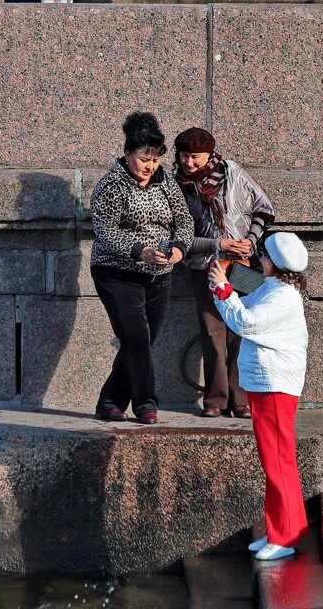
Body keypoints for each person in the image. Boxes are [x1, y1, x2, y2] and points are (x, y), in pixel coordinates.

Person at [208, 232, 310, 561]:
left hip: (275, 387)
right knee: (274, 461)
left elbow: (245, 323)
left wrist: (223, 288)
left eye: (264, 256)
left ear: (276, 264)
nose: (260, 260)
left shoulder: (284, 297)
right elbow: (239, 309)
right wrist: (221, 286)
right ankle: (280, 529)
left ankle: (285, 536)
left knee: (278, 461)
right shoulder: (272, 288)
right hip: (266, 385)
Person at [90, 112, 195, 425]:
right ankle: (146, 404)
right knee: (135, 336)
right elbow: (105, 231)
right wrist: (140, 251)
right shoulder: (111, 186)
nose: (150, 166)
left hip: (159, 275)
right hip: (117, 273)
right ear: (127, 154)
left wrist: (179, 248)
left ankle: (110, 402)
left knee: (143, 340)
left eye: (155, 159)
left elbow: (184, 220)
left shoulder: (167, 183)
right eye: (144, 158)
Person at [173, 127, 274, 419]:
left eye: (195, 156)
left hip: (241, 264)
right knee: (212, 330)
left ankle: (240, 398)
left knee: (240, 329)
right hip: (205, 265)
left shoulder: (232, 172)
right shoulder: (177, 186)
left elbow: (264, 208)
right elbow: (179, 237)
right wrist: (218, 243)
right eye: (184, 155)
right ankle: (215, 399)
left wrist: (250, 240)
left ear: (210, 154)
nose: (189, 162)